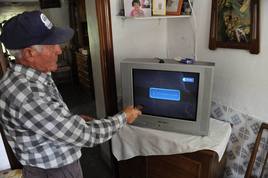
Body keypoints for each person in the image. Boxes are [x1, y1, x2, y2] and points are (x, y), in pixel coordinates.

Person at [0, 10, 141, 178]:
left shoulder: (29, 75)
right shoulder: (28, 95)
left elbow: (44, 117)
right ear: (30, 53)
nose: (59, 50)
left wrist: (67, 119)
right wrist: (124, 117)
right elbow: (85, 135)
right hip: (54, 171)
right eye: (52, 45)